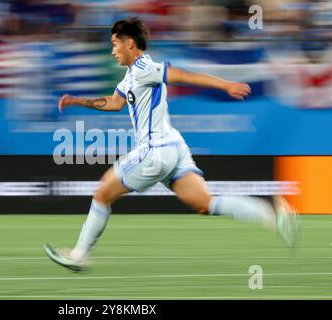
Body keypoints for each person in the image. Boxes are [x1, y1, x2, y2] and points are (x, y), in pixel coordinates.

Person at [44, 17, 298, 272]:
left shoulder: (145, 67)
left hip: (155, 150)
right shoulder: (131, 76)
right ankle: (276, 217)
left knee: (101, 194)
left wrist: (226, 85)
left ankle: (79, 255)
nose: (112, 50)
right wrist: (77, 101)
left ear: (129, 43)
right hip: (174, 148)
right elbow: (113, 102)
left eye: (114, 43)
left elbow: (183, 75)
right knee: (205, 203)